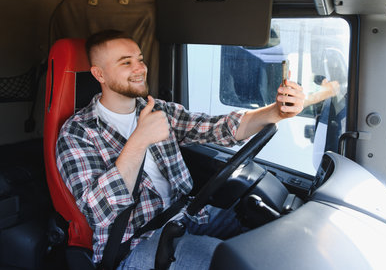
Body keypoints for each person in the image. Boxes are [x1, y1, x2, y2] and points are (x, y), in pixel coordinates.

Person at [56, 30, 305, 269]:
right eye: (126, 63)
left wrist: (276, 111)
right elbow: (98, 210)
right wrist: (138, 141)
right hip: (136, 244)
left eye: (140, 60)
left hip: (188, 215)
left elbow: (219, 128)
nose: (140, 68)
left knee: (271, 233)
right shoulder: (78, 132)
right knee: (229, 261)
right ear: (99, 74)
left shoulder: (157, 109)